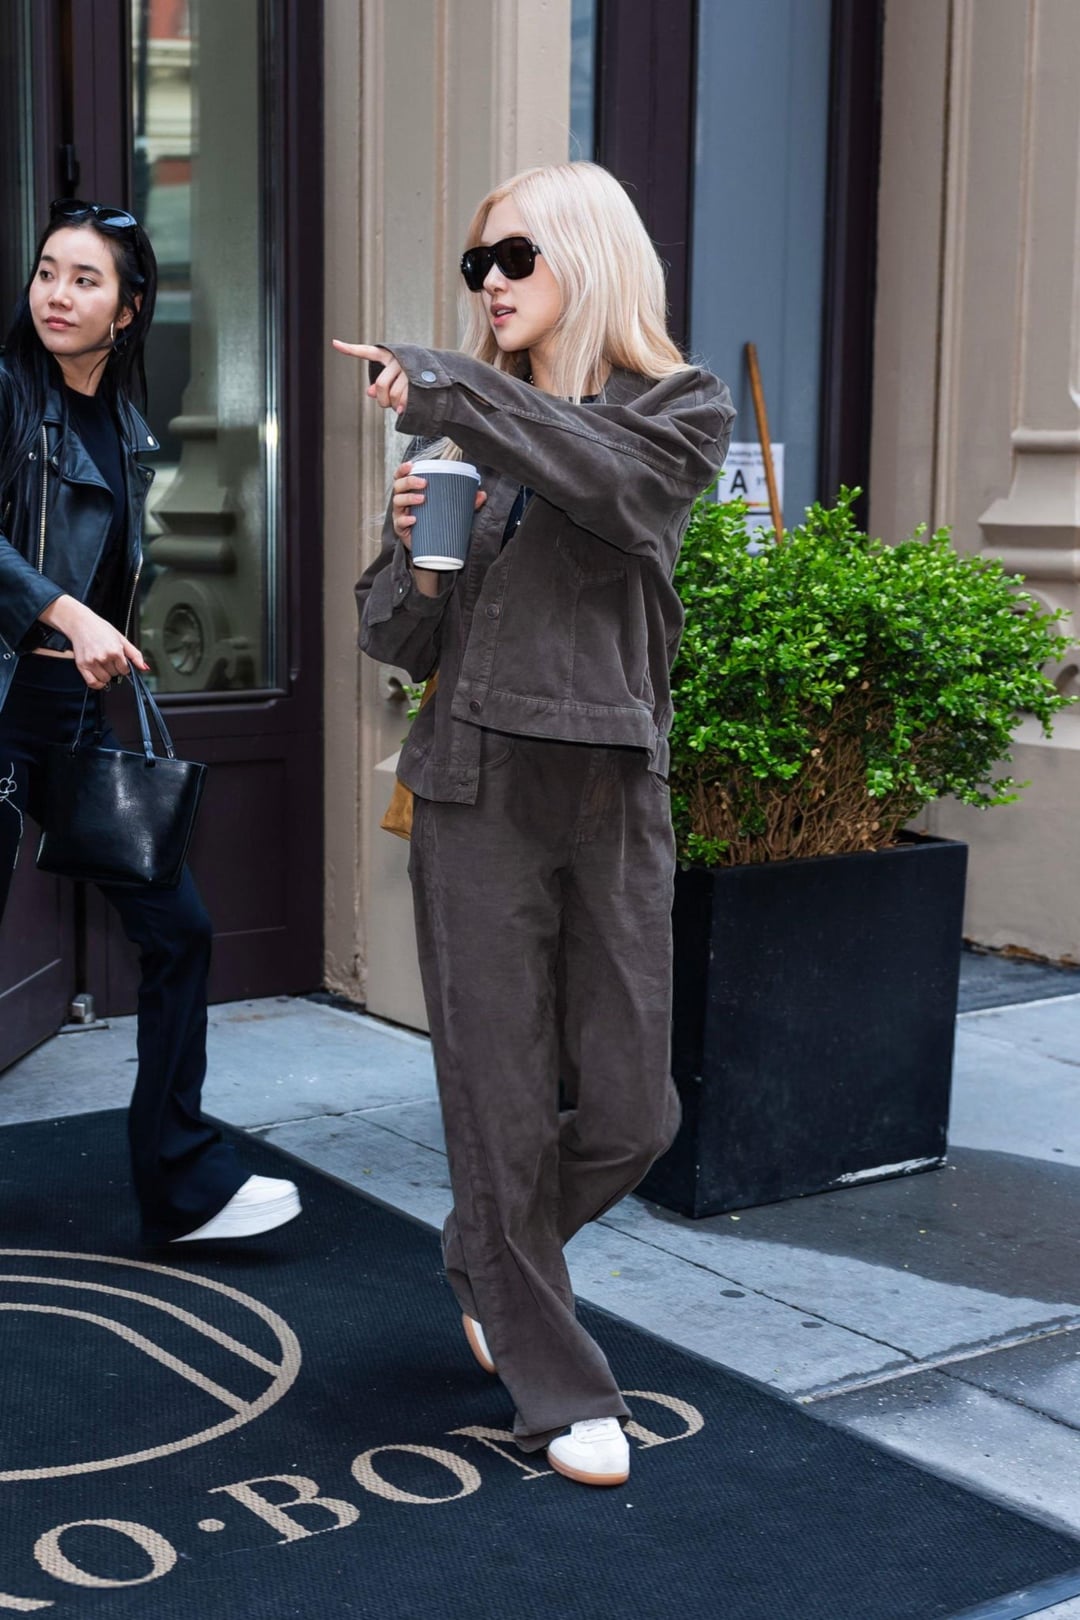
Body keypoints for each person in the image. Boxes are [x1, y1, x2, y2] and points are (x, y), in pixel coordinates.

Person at [337, 160, 734, 1486]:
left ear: (588, 254)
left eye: (516, 257)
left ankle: (490, 1254)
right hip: (477, 793)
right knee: (500, 1108)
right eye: (478, 266)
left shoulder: (676, 411)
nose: (493, 283)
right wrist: (413, 560)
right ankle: (560, 1391)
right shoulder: (466, 445)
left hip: (612, 791)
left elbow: (612, 486)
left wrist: (449, 389)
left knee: (633, 1113)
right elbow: (396, 639)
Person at [0, 199, 300, 1245]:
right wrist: (63, 609)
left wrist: (105, 632)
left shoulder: (124, 425)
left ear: (128, 311)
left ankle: (181, 1184)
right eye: (48, 271)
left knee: (179, 932)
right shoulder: (8, 394)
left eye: (85, 280)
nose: (56, 294)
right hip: (3, 710)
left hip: (70, 719)